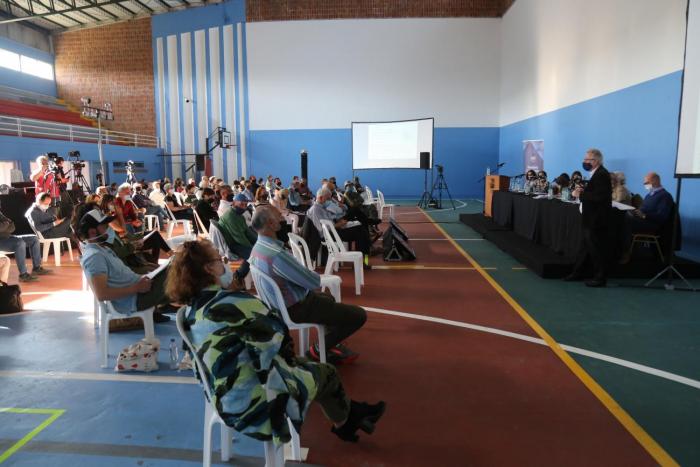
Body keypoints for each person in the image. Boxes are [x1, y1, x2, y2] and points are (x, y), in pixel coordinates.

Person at [166, 239, 385, 443]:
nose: (224, 264)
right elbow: (279, 347)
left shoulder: (192, 311)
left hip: (223, 399)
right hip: (259, 408)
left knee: (306, 368)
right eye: (219, 260)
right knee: (326, 373)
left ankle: (352, 414)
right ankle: (346, 423)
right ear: (209, 269)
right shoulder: (235, 304)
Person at [250, 206, 367, 363]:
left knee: (328, 298)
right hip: (296, 308)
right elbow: (313, 281)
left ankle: (330, 345)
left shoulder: (258, 247)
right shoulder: (276, 254)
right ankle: (317, 350)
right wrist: (304, 270)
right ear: (271, 223)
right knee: (359, 315)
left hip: (278, 305)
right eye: (279, 216)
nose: (283, 218)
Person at [77, 208, 172, 319]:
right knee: (185, 275)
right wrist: (137, 288)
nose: (108, 228)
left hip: (140, 288)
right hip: (135, 298)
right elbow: (102, 294)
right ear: (92, 232)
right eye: (104, 225)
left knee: (179, 272)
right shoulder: (95, 257)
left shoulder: (102, 249)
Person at [565, 149, 612, 287]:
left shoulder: (602, 174)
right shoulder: (596, 174)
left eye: (587, 160)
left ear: (596, 161)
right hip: (590, 218)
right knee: (584, 249)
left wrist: (580, 194)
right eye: (584, 159)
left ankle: (600, 277)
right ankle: (577, 273)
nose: (584, 162)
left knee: (596, 250)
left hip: (596, 220)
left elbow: (599, 196)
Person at [307, 187, 372, 267]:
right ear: (320, 198)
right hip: (329, 235)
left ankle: (364, 259)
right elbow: (322, 229)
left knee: (361, 228)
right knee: (360, 232)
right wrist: (338, 225)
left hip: (333, 230)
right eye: (328, 199)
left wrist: (339, 222)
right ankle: (363, 261)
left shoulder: (321, 208)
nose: (329, 201)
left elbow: (329, 220)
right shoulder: (315, 210)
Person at [0, 208, 51, 282]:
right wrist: (6, 224)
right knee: (19, 243)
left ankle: (37, 268)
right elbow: (6, 225)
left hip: (8, 237)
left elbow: (12, 227)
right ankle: (23, 275)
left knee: (34, 239)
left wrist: (5, 225)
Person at [216, 194, 256, 281]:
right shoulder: (230, 216)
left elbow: (247, 232)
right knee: (253, 255)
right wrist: (254, 248)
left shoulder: (239, 216)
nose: (244, 207)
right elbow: (239, 238)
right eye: (241, 204)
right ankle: (238, 276)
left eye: (245, 205)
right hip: (232, 244)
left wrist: (258, 241)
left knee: (257, 250)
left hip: (237, 242)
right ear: (234, 203)